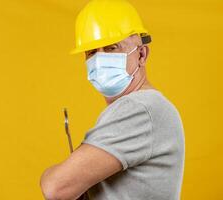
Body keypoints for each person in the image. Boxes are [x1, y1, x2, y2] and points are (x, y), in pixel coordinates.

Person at [40, 0, 185, 200]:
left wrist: (49, 174)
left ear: (141, 54)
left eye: (111, 48)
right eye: (91, 52)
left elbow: (56, 187)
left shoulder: (140, 108)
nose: (99, 60)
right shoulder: (148, 108)